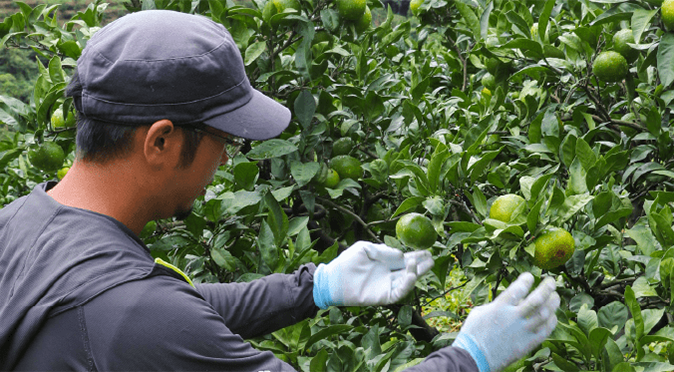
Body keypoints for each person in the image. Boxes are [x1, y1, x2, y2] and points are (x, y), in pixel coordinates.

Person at [0, 10, 559, 372]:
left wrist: (314, 287)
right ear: (161, 141)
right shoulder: (133, 315)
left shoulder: (22, 219)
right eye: (225, 139)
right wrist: (470, 357)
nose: (226, 158)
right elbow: (155, 318)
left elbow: (169, 310)